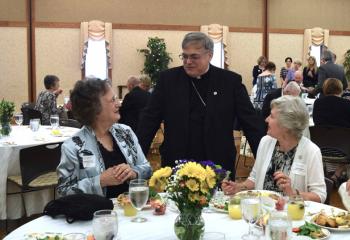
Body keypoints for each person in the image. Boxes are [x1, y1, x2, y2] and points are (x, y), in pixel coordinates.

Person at [137, 32, 265, 178]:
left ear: (209, 55)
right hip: (178, 161)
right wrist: (136, 159)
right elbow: (149, 120)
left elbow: (250, 123)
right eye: (184, 56)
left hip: (217, 163)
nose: (188, 61)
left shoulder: (230, 82)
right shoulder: (168, 80)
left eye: (194, 56)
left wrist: (263, 159)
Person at [57, 78, 152, 197]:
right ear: (94, 108)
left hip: (130, 209)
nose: (118, 103)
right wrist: (100, 181)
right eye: (113, 100)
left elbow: (147, 168)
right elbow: (64, 191)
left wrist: (133, 173)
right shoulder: (73, 146)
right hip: (96, 213)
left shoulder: (125, 133)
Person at [222, 96, 327, 203]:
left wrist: (292, 193)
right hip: (262, 213)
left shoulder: (311, 151)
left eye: (271, 116)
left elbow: (320, 195)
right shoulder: (266, 142)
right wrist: (238, 187)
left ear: (286, 125)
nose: (266, 119)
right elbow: (254, 179)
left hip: (291, 215)